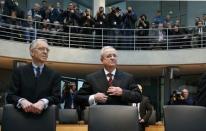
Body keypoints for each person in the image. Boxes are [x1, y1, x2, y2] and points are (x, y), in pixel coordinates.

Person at [6, 39, 61, 114]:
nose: (45, 52)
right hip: (21, 118)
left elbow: (57, 97)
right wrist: (22, 101)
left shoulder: (54, 74)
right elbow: (10, 96)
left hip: (45, 118)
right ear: (32, 52)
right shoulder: (19, 71)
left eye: (47, 50)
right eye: (41, 49)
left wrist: (43, 102)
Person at [76, 46, 142, 106]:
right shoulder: (91, 78)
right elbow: (79, 98)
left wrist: (122, 92)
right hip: (99, 116)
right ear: (102, 60)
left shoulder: (128, 77)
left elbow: (138, 97)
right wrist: (94, 98)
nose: (112, 58)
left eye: (114, 56)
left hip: (121, 116)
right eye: (109, 56)